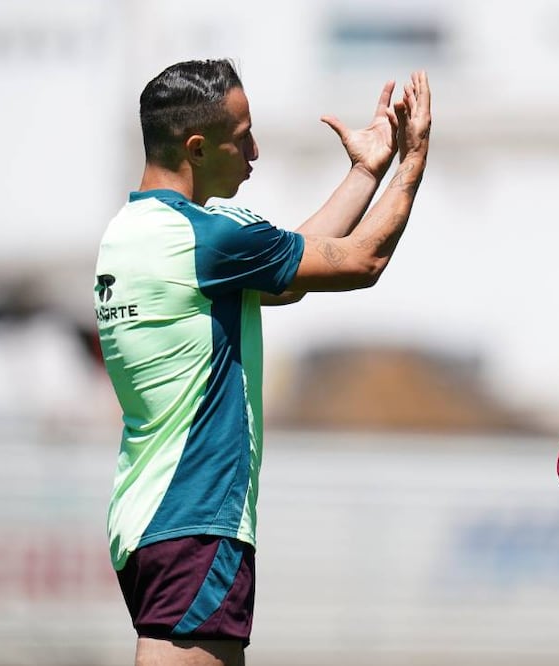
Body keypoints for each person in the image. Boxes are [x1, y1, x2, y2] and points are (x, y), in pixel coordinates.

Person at [93, 59, 431, 666]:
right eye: (242, 136)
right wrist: (412, 160)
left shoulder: (131, 233)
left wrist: (365, 172)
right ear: (197, 148)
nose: (255, 151)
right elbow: (361, 261)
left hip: (149, 517)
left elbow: (289, 274)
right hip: (196, 515)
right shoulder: (206, 239)